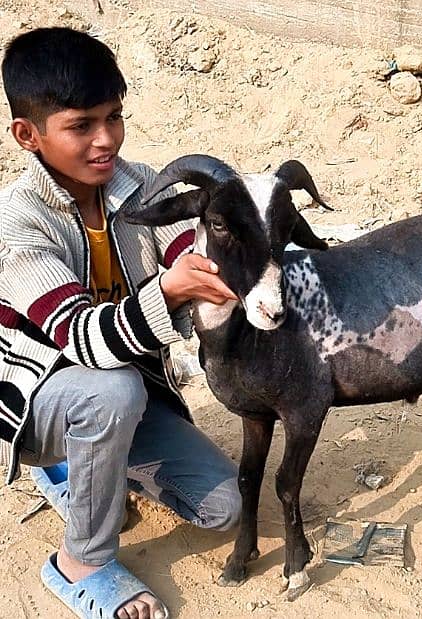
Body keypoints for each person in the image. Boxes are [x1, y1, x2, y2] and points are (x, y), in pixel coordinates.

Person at [0, 26, 242, 619]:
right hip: (41, 401)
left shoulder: (137, 185)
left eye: (115, 116)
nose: (105, 140)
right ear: (27, 135)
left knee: (224, 510)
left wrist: (227, 254)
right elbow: (83, 338)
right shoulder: (17, 223)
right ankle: (80, 559)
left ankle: (83, 472)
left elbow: (193, 243)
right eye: (81, 126)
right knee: (110, 389)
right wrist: (170, 289)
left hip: (128, 397)